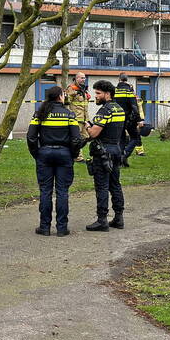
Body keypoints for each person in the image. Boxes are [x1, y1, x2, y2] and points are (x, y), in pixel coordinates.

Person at [27, 85, 82, 237]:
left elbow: (31, 137)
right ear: (60, 97)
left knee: (45, 191)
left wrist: (36, 154)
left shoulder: (39, 114)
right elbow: (76, 138)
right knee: (62, 191)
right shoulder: (70, 115)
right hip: (64, 154)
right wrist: (73, 154)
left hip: (44, 153)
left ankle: (44, 227)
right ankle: (62, 228)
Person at [84, 80, 125, 231]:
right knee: (115, 184)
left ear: (107, 94)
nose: (96, 96)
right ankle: (119, 218)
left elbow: (94, 133)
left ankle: (102, 220)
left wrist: (88, 126)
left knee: (102, 186)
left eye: (98, 93)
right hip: (116, 150)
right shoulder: (119, 109)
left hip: (103, 153)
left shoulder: (105, 110)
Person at [114, 73, 144, 168]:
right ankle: (125, 155)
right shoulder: (129, 91)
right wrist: (139, 119)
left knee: (121, 139)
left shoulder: (115, 91)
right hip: (129, 119)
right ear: (127, 80)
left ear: (119, 79)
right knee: (135, 138)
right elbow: (134, 107)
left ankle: (120, 161)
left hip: (118, 119)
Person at [66, 72, 90, 162]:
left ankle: (73, 152)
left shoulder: (84, 89)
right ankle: (78, 157)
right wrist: (73, 94)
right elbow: (66, 102)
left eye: (84, 78)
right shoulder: (71, 88)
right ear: (76, 79)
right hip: (76, 118)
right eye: (81, 78)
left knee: (86, 137)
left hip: (84, 119)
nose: (83, 79)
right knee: (77, 138)